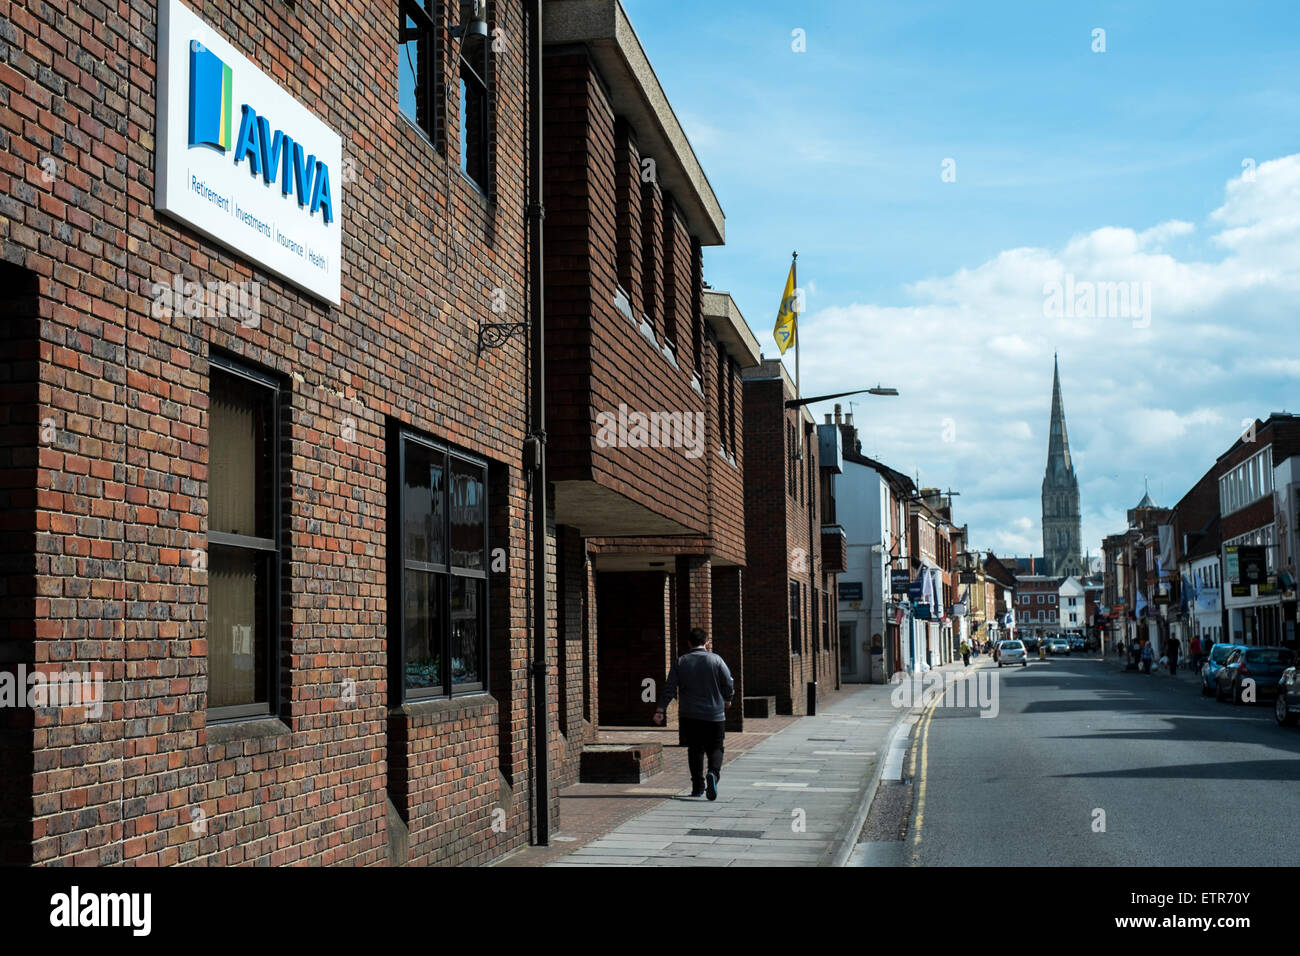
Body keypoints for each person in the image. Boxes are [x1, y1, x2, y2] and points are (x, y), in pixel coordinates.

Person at [653, 628, 735, 800]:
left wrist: (661, 709)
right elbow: (728, 682)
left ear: (689, 643)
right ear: (707, 643)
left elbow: (669, 688)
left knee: (695, 749)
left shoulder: (681, 662)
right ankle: (713, 773)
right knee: (716, 747)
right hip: (715, 714)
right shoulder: (716, 660)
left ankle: (698, 787)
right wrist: (728, 698)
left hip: (689, 715)